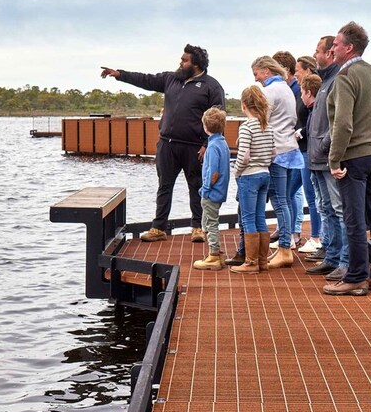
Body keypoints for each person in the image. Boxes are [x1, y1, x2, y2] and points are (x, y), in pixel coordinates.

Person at [100, 45, 225, 242]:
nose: (180, 62)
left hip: (195, 147)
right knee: (164, 186)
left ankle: (198, 228)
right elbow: (145, 79)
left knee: (196, 186)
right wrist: (119, 74)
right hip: (167, 144)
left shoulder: (212, 86)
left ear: (196, 64)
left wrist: (207, 144)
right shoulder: (171, 79)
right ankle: (159, 228)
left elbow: (218, 118)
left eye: (185, 60)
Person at [324, 22, 371, 296]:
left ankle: (356, 277)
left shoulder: (346, 76)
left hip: (353, 157)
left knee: (354, 219)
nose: (332, 48)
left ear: (349, 47)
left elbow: (343, 124)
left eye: (336, 44)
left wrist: (334, 160)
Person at [250, 56, 304, 269]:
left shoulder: (269, 91)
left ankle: (284, 249)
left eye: (256, 73)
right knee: (286, 199)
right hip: (290, 149)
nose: (256, 79)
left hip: (276, 151)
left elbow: (260, 120)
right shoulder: (287, 88)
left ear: (265, 70)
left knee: (279, 201)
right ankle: (284, 247)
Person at [304, 35, 350, 281]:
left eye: (318, 51)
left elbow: (338, 122)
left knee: (339, 209)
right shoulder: (324, 81)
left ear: (329, 54)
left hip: (326, 156)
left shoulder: (336, 81)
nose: (315, 55)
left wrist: (324, 146)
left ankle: (345, 261)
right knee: (326, 208)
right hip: (316, 158)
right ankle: (332, 257)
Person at [230, 86, 274, 274]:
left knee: (247, 219)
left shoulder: (247, 127)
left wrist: (236, 172)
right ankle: (262, 261)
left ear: (244, 105)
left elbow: (244, 156)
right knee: (260, 217)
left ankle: (250, 263)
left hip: (249, 175)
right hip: (265, 174)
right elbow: (273, 154)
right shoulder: (268, 126)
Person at [271, 51, 304, 249]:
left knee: (291, 192)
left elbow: (300, 117)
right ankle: (286, 230)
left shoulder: (296, 90)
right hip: (290, 146)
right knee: (288, 193)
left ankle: (294, 231)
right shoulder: (286, 88)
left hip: (295, 147)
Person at [193, 107, 231, 270]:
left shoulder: (213, 147)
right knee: (208, 221)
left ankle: (214, 255)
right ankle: (215, 252)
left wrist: (205, 189)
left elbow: (213, 172)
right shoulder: (223, 143)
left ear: (205, 127)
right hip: (219, 192)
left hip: (211, 193)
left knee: (210, 223)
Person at [296, 72, 323, 258]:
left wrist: (300, 133)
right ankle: (317, 237)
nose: (300, 96)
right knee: (316, 198)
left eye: (302, 93)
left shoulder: (315, 110)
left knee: (314, 197)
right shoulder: (314, 110)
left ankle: (316, 237)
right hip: (308, 154)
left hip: (311, 155)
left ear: (308, 92)